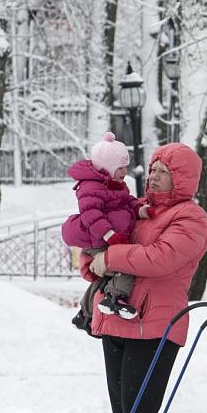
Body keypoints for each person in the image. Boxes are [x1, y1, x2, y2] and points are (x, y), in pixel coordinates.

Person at [79, 142, 207, 413]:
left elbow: (159, 258)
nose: (153, 176)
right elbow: (98, 244)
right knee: (122, 412)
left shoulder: (190, 218)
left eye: (163, 171)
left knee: (140, 412)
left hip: (154, 327)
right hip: (116, 318)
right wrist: (93, 263)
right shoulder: (135, 210)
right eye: (152, 168)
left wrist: (111, 257)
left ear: (181, 180)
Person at [62, 132, 141, 319]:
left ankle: (85, 313)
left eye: (125, 167)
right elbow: (91, 215)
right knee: (125, 264)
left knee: (107, 274)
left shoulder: (114, 185)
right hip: (99, 240)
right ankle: (115, 297)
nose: (124, 172)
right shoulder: (91, 187)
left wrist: (139, 209)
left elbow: (127, 202)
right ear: (107, 167)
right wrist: (109, 235)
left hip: (106, 240)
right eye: (120, 168)